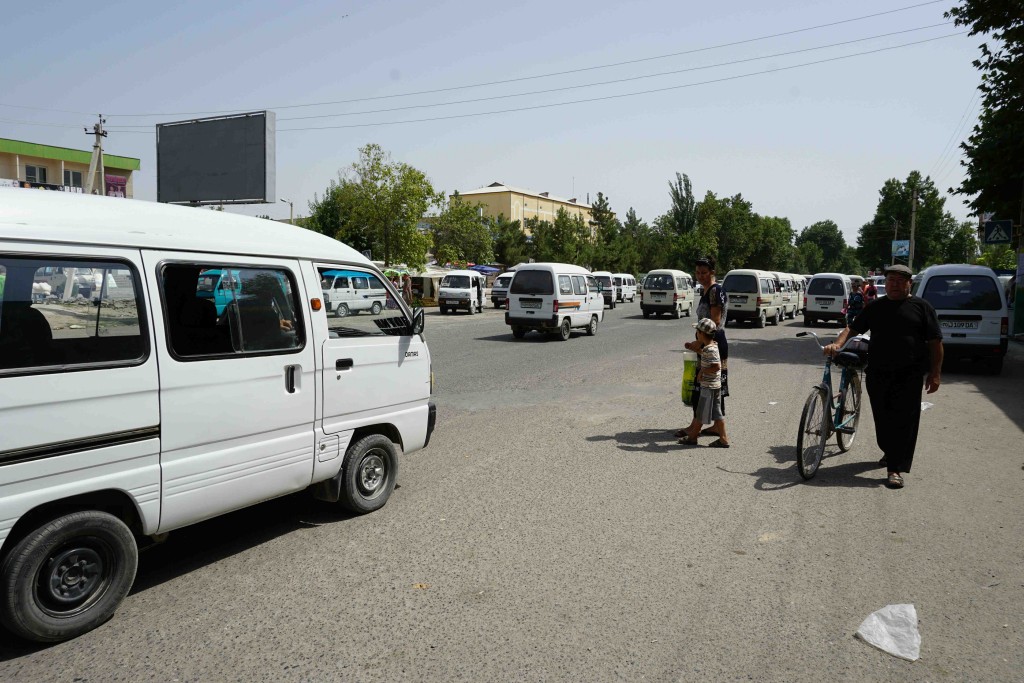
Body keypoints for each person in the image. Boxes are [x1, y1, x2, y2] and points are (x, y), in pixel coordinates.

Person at [824, 264, 943, 489]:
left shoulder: (922, 307)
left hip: (910, 374)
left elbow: (935, 342)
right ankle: (890, 452)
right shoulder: (876, 307)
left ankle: (895, 468)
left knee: (905, 421)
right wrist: (838, 344)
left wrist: (935, 373)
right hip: (878, 372)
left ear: (909, 283)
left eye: (900, 281)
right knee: (883, 418)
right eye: (890, 280)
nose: (894, 285)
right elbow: (853, 328)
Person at [681, 255, 728, 436]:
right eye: (698, 272)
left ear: (712, 272)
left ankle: (696, 429)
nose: (700, 276)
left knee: (705, 386)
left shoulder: (715, 291)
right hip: (706, 343)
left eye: (704, 272)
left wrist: (699, 343)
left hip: (712, 343)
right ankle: (712, 426)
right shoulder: (706, 290)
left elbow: (715, 321)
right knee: (711, 386)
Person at [678, 318, 730, 448]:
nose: (696, 333)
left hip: (708, 387)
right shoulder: (711, 346)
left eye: (697, 331)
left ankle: (692, 437)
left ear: (701, 334)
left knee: (700, 413)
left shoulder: (710, 349)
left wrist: (703, 371)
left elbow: (717, 366)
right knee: (717, 414)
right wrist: (694, 349)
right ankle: (723, 438)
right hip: (715, 386)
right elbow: (706, 355)